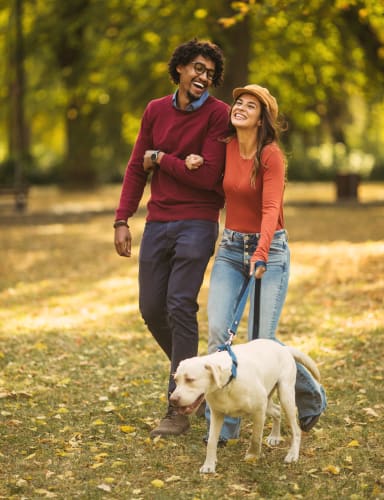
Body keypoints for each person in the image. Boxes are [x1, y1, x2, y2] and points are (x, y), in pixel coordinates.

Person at [188, 84, 327, 444]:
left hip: (271, 252)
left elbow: (270, 210)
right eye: (238, 102)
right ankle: (224, 426)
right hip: (231, 247)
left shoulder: (271, 156)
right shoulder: (227, 147)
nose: (240, 107)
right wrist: (193, 162)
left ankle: (311, 400)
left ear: (262, 118)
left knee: (262, 342)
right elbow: (212, 182)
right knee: (220, 333)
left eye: (251, 105)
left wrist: (262, 252)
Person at [113, 39, 229, 438]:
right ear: (179, 68)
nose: (203, 77)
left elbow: (209, 176)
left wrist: (163, 160)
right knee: (150, 307)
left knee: (180, 304)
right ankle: (193, 374)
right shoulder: (155, 111)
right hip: (159, 220)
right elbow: (135, 166)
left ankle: (176, 409)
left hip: (198, 220)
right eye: (198, 68)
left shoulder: (219, 115)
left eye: (210, 73)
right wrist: (122, 219)